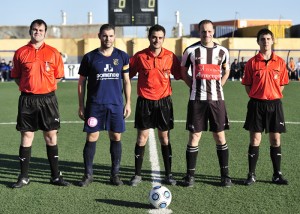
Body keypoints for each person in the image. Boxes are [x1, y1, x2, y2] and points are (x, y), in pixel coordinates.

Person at [10, 19, 69, 188]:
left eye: (41, 30)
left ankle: (55, 176)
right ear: (30, 31)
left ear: (45, 32)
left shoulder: (53, 52)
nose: (37, 32)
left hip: (48, 99)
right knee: (27, 136)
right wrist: (29, 87)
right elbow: (16, 76)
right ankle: (24, 177)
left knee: (51, 135)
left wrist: (45, 87)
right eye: (35, 29)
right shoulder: (20, 52)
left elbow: (58, 76)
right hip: (27, 99)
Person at [180, 19, 233, 187]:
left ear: (214, 32)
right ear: (199, 32)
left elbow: (227, 70)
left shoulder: (223, 51)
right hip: (197, 100)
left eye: (209, 31)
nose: (207, 34)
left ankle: (225, 176)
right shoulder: (190, 50)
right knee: (195, 136)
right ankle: (190, 176)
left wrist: (220, 85)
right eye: (203, 31)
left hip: (217, 100)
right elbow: (183, 71)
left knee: (219, 135)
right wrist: (193, 86)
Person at [77, 24, 131, 187]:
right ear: (99, 36)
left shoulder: (122, 56)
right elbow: (81, 83)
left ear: (115, 37)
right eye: (105, 36)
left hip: (115, 104)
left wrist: (128, 103)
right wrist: (81, 105)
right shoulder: (89, 57)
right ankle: (88, 175)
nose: (108, 39)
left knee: (116, 136)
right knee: (92, 136)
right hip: (95, 105)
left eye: (111, 36)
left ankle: (115, 175)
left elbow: (127, 81)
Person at [129, 24, 181, 186]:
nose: (157, 40)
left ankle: (168, 174)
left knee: (164, 138)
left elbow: (180, 75)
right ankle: (137, 174)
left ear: (164, 39)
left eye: (160, 38)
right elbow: (126, 77)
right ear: (149, 37)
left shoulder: (171, 57)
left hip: (164, 102)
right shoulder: (139, 57)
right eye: (154, 37)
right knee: (141, 137)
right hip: (144, 102)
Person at [242, 28, 289, 186]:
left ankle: (277, 174)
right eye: (262, 39)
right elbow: (247, 85)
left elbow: (282, 85)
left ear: (272, 41)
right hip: (256, 104)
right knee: (255, 139)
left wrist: (271, 94)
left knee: (275, 139)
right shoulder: (252, 62)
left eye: (268, 39)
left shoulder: (280, 62)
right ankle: (251, 174)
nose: (266, 41)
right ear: (258, 42)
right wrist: (259, 95)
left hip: (274, 105)